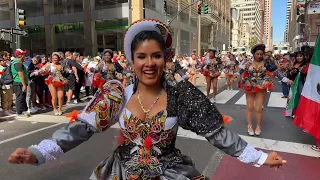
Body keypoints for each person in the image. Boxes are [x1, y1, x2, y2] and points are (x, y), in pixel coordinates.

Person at [8, 19, 286, 180]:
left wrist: (259, 158)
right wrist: (39, 153)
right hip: (119, 171)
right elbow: (80, 129)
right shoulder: (118, 92)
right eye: (142, 56)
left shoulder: (180, 93)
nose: (149, 63)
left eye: (156, 55)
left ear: (165, 58)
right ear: (132, 60)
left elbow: (218, 135)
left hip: (170, 171)